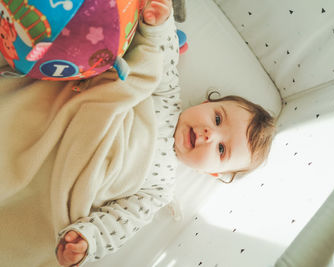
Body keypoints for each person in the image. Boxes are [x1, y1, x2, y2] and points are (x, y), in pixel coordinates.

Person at [55, 0, 276, 266]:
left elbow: (123, 221)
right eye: (217, 118)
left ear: (213, 173)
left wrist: (89, 239)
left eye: (221, 149)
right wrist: (160, 23)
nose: (210, 134)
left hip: (71, 174)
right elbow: (164, 58)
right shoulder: (168, 97)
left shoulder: (159, 189)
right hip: (70, 118)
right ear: (205, 104)